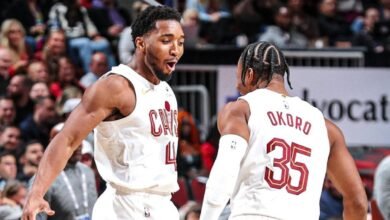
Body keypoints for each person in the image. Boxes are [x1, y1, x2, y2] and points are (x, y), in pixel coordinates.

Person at [22, 5, 185, 220]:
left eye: (180, 42)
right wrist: (36, 192)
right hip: (126, 207)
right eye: (166, 41)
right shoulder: (116, 86)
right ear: (141, 43)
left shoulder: (164, 90)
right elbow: (67, 139)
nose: (175, 49)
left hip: (163, 204)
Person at [199, 41, 368, 220]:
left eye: (237, 77)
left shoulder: (241, 109)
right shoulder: (327, 128)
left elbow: (221, 180)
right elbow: (357, 201)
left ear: (249, 75)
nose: (236, 86)